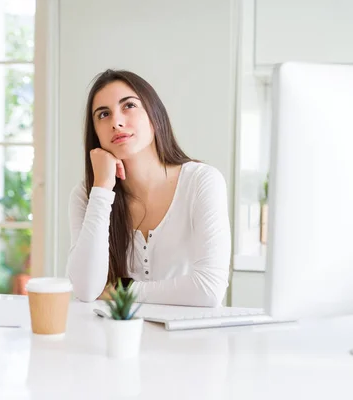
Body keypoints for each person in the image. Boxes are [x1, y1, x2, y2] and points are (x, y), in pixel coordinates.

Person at [66, 69, 231, 307]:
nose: (117, 122)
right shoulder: (86, 195)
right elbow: (86, 289)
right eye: (103, 114)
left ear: (154, 115)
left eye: (129, 106)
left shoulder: (202, 182)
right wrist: (102, 189)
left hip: (189, 342)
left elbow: (209, 289)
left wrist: (119, 291)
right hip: (114, 337)